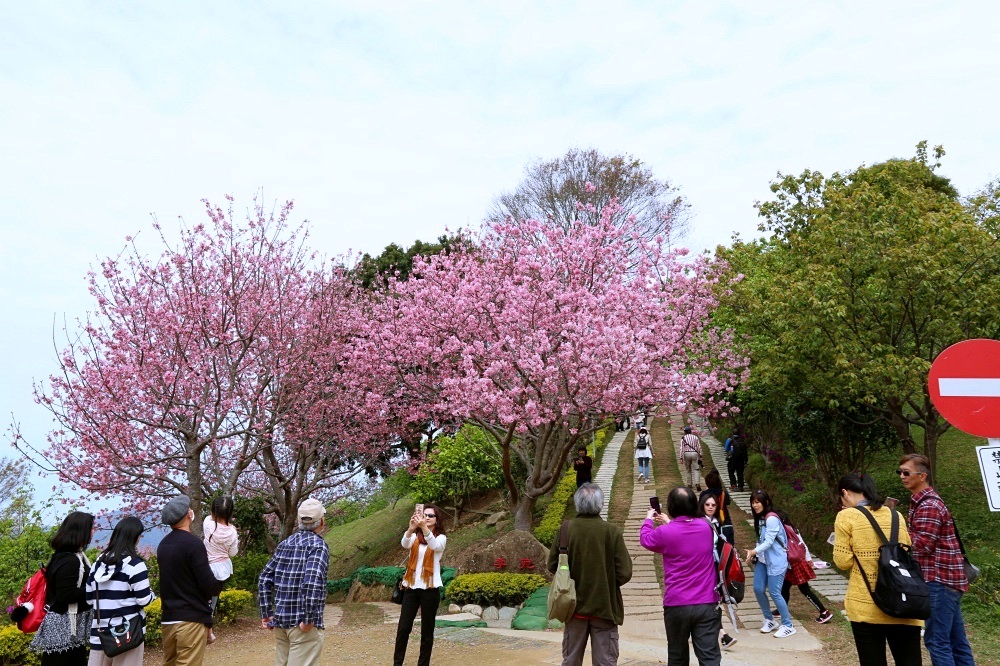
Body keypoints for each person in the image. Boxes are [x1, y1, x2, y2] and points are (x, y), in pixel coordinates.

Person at [834, 473, 922, 665]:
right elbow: (906, 550)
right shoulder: (895, 515)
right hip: (903, 601)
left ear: (844, 493)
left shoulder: (846, 516)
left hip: (867, 604)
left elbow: (842, 561)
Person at [899, 453, 975, 666]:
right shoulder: (922, 501)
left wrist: (898, 529)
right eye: (900, 472)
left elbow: (923, 545)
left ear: (922, 476)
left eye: (906, 472)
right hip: (947, 580)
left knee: (937, 641)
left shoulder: (929, 505)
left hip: (939, 580)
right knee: (956, 641)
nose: (902, 476)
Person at [547, 483, 632, 666]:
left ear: (577, 504)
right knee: (605, 662)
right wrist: (606, 581)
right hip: (605, 608)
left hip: (573, 608)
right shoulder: (612, 532)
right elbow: (624, 572)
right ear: (601, 504)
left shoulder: (565, 530)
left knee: (571, 660)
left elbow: (552, 564)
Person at [641, 486, 721, 666]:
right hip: (706, 603)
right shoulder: (706, 527)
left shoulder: (664, 533)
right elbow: (686, 532)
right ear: (695, 505)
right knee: (709, 657)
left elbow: (645, 539)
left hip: (677, 605)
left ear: (671, 506)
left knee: (677, 657)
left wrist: (648, 520)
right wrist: (669, 522)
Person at [258, 498, 331, 666]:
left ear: (299, 521)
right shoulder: (318, 546)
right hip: (302, 625)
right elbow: (311, 582)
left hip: (281, 622)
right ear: (322, 522)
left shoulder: (285, 544)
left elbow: (264, 578)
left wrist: (266, 613)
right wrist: (308, 618)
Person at [157, 496, 223, 666]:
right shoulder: (193, 543)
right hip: (190, 619)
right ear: (188, 514)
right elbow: (207, 583)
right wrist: (219, 583)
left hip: (168, 619)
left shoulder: (163, 545)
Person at [86, 516, 156, 666]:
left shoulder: (97, 564)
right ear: (135, 538)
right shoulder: (135, 565)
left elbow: (89, 599)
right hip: (127, 635)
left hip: (100, 635)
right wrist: (152, 594)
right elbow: (143, 599)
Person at [31, 511, 95, 666]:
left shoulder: (67, 556)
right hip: (63, 628)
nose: (94, 531)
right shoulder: (70, 560)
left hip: (69, 626)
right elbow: (65, 595)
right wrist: (96, 589)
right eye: (91, 528)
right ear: (81, 531)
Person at [394, 503, 447, 666]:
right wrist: (411, 528)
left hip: (430, 588)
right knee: (403, 628)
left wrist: (424, 528)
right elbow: (405, 543)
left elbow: (435, 546)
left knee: (427, 631)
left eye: (431, 516)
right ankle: (397, 663)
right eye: (425, 515)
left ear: (436, 520)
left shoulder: (441, 538)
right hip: (411, 587)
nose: (427, 518)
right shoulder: (415, 536)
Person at [745, 489, 795, 638]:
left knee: (775, 592)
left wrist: (754, 551)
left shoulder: (771, 518)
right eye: (753, 502)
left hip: (776, 562)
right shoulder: (760, 518)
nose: (755, 505)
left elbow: (769, 541)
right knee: (758, 589)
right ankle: (769, 620)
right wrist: (756, 554)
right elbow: (761, 539)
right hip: (763, 561)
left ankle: (788, 625)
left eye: (758, 502)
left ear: (766, 502)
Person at [767, 514, 834, 624]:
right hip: (794, 563)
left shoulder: (783, 530)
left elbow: (800, 544)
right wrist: (807, 558)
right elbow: (802, 545)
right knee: (785, 587)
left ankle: (824, 612)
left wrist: (808, 559)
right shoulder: (791, 529)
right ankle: (781, 610)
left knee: (804, 589)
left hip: (795, 564)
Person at [698, 493, 737, 651]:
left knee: (714, 600)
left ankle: (719, 634)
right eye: (707, 505)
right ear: (702, 505)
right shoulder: (700, 523)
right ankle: (722, 635)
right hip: (702, 567)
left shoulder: (715, 522)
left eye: (713, 505)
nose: (710, 507)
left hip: (714, 566)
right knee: (712, 600)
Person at [202, 497, 238, 644]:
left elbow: (208, 519)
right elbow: (233, 553)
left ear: (212, 511)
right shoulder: (232, 532)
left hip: (206, 566)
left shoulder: (207, 524)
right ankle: (209, 631)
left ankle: (206, 630)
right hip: (222, 569)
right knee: (212, 601)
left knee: (203, 599)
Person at [699, 469, 734, 545]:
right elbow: (727, 502)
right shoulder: (723, 493)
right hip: (724, 520)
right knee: (728, 548)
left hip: (708, 523)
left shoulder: (704, 494)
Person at [678, 426, 703, 491]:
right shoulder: (695, 437)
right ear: (690, 431)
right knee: (696, 469)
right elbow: (699, 447)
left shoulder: (683, 438)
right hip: (694, 453)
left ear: (685, 432)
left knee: (688, 469)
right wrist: (700, 455)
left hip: (687, 454)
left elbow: (681, 448)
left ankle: (689, 484)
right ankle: (697, 483)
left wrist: (681, 457)